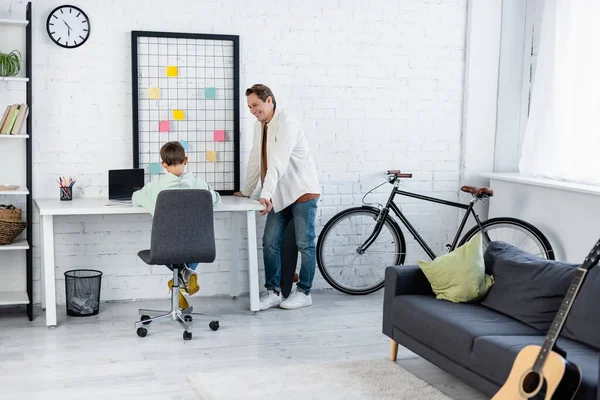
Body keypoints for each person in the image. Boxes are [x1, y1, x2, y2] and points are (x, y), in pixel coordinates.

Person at [235, 84, 320, 310]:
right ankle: (274, 291)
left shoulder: (287, 124)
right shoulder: (259, 125)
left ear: (269, 100)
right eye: (249, 107)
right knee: (270, 242)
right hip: (279, 194)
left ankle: (304, 292)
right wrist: (247, 190)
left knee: (305, 244)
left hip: (302, 192)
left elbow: (278, 162)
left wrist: (265, 194)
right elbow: (256, 159)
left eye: (256, 105)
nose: (253, 110)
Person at [132, 141, 221, 309]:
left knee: (166, 249)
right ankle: (185, 274)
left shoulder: (156, 185)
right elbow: (216, 198)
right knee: (192, 245)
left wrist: (151, 205)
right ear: (186, 160)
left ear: (163, 164)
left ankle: (181, 276)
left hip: (166, 247)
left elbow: (136, 197)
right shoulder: (197, 183)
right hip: (198, 247)